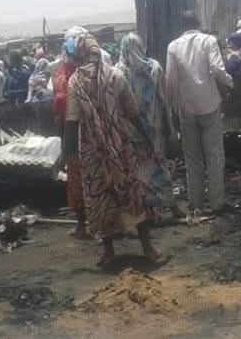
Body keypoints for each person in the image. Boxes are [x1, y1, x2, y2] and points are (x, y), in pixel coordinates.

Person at [63, 28, 164, 267]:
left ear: (79, 53)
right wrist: (148, 138)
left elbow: (71, 121)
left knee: (100, 197)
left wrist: (68, 154)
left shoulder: (75, 82)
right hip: (120, 146)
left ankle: (109, 251)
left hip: (92, 150)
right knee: (131, 192)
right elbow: (134, 112)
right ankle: (148, 248)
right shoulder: (115, 76)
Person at [166, 10, 232, 218]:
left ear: (182, 26)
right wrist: (231, 84)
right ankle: (217, 203)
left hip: (187, 108)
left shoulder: (173, 46)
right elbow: (217, 69)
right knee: (214, 157)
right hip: (210, 104)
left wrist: (171, 109)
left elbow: (170, 81)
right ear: (198, 23)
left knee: (192, 159)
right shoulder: (208, 41)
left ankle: (196, 204)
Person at [115, 33, 174, 216]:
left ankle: (146, 208)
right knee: (158, 163)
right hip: (154, 128)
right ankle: (166, 204)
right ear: (142, 46)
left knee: (138, 168)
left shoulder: (118, 71)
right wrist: (169, 126)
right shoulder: (154, 68)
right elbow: (164, 100)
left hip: (131, 129)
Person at [52, 41, 89, 239]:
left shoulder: (64, 76)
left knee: (77, 180)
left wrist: (64, 139)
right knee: (90, 178)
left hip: (74, 133)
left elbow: (60, 109)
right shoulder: (91, 72)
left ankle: (83, 225)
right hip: (91, 132)